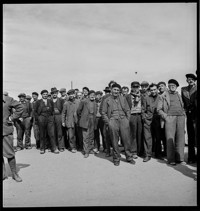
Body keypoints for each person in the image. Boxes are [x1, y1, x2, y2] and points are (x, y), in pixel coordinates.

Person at [101, 83, 135, 166]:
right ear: (111, 90)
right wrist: (108, 123)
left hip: (123, 120)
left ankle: (129, 157)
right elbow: (103, 112)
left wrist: (127, 120)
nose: (116, 91)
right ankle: (116, 158)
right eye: (114, 89)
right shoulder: (107, 100)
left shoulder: (123, 98)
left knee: (126, 140)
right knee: (114, 140)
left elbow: (127, 110)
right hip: (112, 120)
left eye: (117, 90)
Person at [157, 79, 186, 165]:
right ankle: (171, 159)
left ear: (176, 87)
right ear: (168, 87)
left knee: (181, 138)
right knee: (170, 138)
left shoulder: (179, 95)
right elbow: (158, 109)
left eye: (174, 86)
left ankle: (180, 159)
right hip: (170, 118)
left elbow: (182, 106)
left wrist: (183, 114)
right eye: (170, 86)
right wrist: (166, 117)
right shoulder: (163, 96)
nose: (172, 87)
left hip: (180, 117)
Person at [3, 93, 23, 182]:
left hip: (5, 130)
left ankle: (14, 174)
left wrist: (12, 118)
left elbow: (21, 107)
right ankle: (3, 175)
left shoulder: (8, 99)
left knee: (9, 153)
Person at [142, 83, 163, 162]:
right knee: (147, 137)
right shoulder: (146, 98)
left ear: (157, 89)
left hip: (158, 119)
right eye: (151, 90)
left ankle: (158, 154)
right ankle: (147, 155)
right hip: (148, 120)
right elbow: (143, 109)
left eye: (154, 89)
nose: (153, 91)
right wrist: (144, 118)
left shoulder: (161, 97)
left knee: (158, 137)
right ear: (149, 91)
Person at [34, 89, 59, 154]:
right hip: (41, 118)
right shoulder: (38, 102)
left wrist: (52, 117)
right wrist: (38, 118)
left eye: (46, 94)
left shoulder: (50, 101)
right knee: (42, 134)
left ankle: (54, 148)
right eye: (44, 94)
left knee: (52, 134)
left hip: (49, 118)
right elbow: (35, 112)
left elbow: (53, 110)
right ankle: (42, 148)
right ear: (41, 95)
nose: (45, 95)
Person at [181, 73, 197, 164]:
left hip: (196, 114)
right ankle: (191, 157)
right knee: (190, 136)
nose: (190, 80)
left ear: (195, 80)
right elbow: (183, 102)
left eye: (192, 79)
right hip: (189, 114)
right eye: (188, 79)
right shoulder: (184, 89)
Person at [126, 81, 144, 159]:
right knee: (132, 134)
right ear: (131, 87)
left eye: (137, 87)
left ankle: (140, 151)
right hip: (132, 115)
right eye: (134, 87)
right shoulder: (127, 96)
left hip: (140, 115)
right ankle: (133, 151)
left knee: (140, 133)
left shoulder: (142, 96)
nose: (135, 88)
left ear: (139, 87)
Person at [77, 90, 97, 158]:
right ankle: (86, 151)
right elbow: (78, 111)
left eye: (94, 95)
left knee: (91, 136)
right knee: (86, 137)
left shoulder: (95, 102)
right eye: (91, 95)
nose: (92, 96)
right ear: (88, 95)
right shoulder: (84, 101)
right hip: (85, 120)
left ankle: (90, 149)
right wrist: (83, 117)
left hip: (92, 120)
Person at [51, 87, 65, 152]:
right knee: (53, 132)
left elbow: (63, 111)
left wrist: (63, 119)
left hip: (59, 116)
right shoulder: (49, 100)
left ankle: (61, 146)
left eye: (55, 93)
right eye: (53, 93)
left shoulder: (61, 100)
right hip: (51, 117)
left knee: (60, 132)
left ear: (57, 93)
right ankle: (54, 146)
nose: (54, 94)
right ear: (51, 94)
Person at [157, 81, 167, 156]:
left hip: (169, 117)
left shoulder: (168, 94)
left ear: (165, 86)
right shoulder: (158, 95)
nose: (160, 87)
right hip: (161, 119)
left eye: (162, 86)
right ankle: (165, 151)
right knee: (163, 135)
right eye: (159, 86)